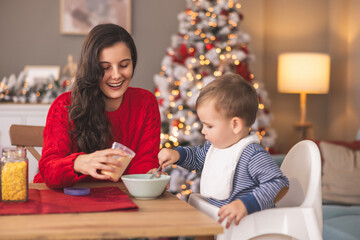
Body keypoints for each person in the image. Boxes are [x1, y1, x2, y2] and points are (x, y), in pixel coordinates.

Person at [34, 23, 161, 188]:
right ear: (91, 69)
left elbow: (144, 164)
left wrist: (150, 178)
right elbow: (49, 171)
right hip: (63, 200)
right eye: (104, 68)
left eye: (124, 65)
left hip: (118, 201)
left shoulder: (146, 103)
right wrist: (80, 163)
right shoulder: (64, 106)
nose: (116, 75)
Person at [158, 73, 289, 229]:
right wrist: (177, 154)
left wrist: (245, 205)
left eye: (209, 126)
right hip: (218, 222)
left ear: (235, 125)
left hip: (247, 228)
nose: (203, 131)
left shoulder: (252, 154)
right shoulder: (214, 148)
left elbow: (278, 183)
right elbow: (197, 158)